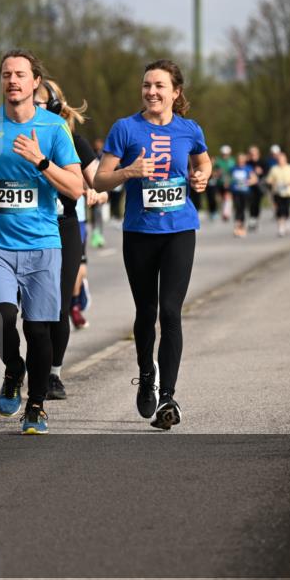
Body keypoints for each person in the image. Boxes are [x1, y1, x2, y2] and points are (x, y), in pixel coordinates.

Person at [0, 49, 84, 434]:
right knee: (1, 318)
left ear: (36, 82)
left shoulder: (53, 129)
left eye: (20, 74)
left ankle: (35, 406)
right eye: (6, 74)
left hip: (42, 243)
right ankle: (13, 370)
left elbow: (77, 188)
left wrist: (41, 161)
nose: (12, 80)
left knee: (38, 330)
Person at [94, 59, 211, 431]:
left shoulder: (189, 129)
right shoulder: (125, 129)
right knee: (146, 312)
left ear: (175, 92)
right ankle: (147, 374)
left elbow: (204, 162)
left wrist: (201, 178)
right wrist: (129, 172)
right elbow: (98, 180)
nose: (151, 92)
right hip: (140, 234)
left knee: (171, 312)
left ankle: (168, 397)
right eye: (146, 85)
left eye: (159, 86)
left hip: (180, 230)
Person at [34, 78, 101, 400]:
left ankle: (53, 375)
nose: (33, 107)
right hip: (26, 230)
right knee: (31, 310)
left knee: (58, 307)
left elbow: (98, 179)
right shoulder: (13, 140)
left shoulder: (75, 142)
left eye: (39, 101)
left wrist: (98, 192)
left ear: (56, 107)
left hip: (64, 228)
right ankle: (29, 367)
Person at [266, 150, 290, 236]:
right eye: (279, 159)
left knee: (286, 209)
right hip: (277, 192)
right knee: (279, 210)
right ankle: (281, 228)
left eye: (282, 159)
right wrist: (274, 183)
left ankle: (287, 222)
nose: (280, 161)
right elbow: (269, 180)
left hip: (288, 192)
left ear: (285, 159)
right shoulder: (274, 169)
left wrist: (287, 184)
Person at [229, 152, 257, 237]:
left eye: (242, 160)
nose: (240, 161)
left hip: (245, 192)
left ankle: (242, 228)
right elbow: (228, 178)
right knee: (237, 209)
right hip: (236, 192)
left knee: (243, 209)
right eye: (239, 160)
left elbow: (254, 179)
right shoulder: (233, 168)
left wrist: (248, 182)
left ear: (244, 160)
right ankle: (237, 227)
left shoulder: (248, 168)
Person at [247, 145, 268, 230]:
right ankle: (252, 219)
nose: (253, 155)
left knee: (257, 203)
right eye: (251, 153)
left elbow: (267, 173)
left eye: (254, 153)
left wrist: (261, 172)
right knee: (251, 203)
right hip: (250, 187)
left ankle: (256, 219)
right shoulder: (248, 163)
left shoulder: (262, 162)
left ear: (258, 154)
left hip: (259, 187)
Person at [214, 145, 235, 222]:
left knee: (228, 196)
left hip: (229, 182)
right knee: (221, 198)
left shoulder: (232, 161)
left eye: (226, 154)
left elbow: (233, 172)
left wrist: (229, 181)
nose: (225, 155)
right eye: (223, 154)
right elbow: (215, 172)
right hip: (220, 182)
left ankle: (226, 213)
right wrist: (217, 173)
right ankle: (224, 211)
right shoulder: (218, 161)